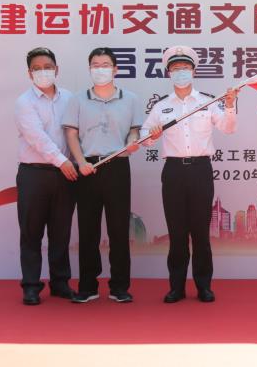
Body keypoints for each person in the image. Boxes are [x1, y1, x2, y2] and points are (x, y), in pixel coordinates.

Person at [136, 46, 238, 303]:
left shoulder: (207, 102)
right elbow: (143, 138)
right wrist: (152, 135)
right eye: (175, 69)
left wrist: (229, 106)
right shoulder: (161, 106)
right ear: (168, 73)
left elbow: (228, 128)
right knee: (177, 232)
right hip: (173, 172)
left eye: (185, 68)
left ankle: (204, 286)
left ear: (193, 71)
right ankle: (176, 287)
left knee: (201, 233)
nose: (180, 72)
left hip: (201, 170)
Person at [62, 47, 144, 303]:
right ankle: (88, 286)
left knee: (119, 229)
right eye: (95, 65)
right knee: (88, 230)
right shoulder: (77, 99)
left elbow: (134, 131)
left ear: (115, 69)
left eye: (105, 65)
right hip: (88, 168)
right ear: (90, 69)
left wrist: (132, 142)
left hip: (118, 166)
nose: (100, 70)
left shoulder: (130, 99)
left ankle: (120, 287)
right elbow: (71, 134)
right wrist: (80, 162)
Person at [14, 47, 77, 305]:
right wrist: (63, 161)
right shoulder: (24, 102)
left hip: (65, 175)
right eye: (37, 69)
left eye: (48, 67)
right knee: (31, 232)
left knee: (61, 232)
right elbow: (37, 138)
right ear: (29, 73)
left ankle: (60, 283)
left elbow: (76, 133)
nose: (43, 72)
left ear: (56, 69)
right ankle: (31, 286)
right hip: (34, 174)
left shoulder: (70, 98)